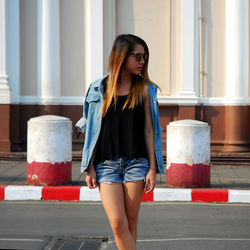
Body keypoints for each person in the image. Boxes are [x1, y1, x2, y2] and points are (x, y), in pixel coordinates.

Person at [77, 34, 164, 250]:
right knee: (118, 223)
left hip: (137, 163)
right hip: (106, 164)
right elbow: (92, 131)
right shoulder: (98, 89)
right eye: (138, 56)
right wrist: (89, 166)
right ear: (121, 56)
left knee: (131, 223)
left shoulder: (144, 89)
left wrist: (153, 168)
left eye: (145, 57)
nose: (142, 61)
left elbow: (149, 130)